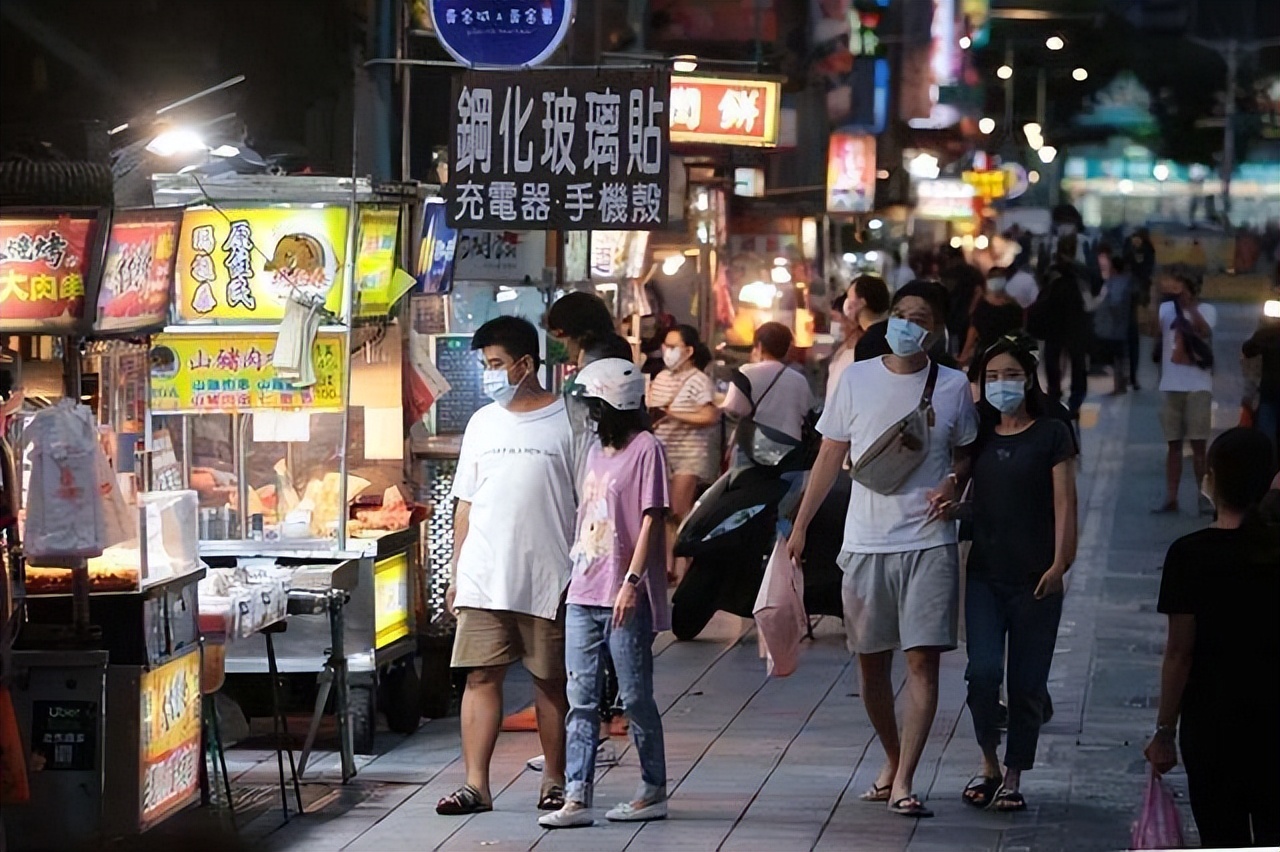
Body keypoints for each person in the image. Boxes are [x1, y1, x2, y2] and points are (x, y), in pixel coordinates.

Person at [787, 281, 980, 818]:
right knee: (870, 665)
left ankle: (907, 779)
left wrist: (953, 483)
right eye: (902, 314)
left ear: (936, 330)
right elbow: (830, 455)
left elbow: (967, 454)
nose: (909, 325)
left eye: (921, 317)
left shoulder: (953, 385)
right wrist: (800, 525)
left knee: (922, 661)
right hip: (866, 542)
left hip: (929, 540)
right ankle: (893, 759)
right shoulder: (856, 378)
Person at [438, 316, 576, 816]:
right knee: (479, 676)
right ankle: (476, 785)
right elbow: (465, 504)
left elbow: (588, 499)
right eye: (484, 365)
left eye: (496, 364)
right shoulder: (482, 422)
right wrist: (456, 572)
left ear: (525, 364)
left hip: (549, 575)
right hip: (483, 574)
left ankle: (555, 781)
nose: (489, 375)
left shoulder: (569, 420)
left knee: (550, 682)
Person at [539, 358, 671, 829]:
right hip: (584, 588)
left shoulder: (646, 449)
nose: (590, 414)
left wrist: (632, 584)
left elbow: (653, 518)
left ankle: (653, 787)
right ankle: (576, 795)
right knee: (581, 696)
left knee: (634, 695)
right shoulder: (595, 449)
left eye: (595, 405)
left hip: (622, 592)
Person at [959, 333, 1078, 813]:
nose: (1001, 384)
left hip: (1035, 578)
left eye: (1010, 375)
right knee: (983, 674)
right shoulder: (981, 433)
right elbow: (965, 490)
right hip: (985, 575)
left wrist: (1060, 563)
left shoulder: (1052, 432)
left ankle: (1013, 776)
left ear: (1029, 379)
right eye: (992, 377)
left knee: (1028, 683)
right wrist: (951, 508)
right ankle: (988, 762)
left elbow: (1065, 503)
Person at [1145, 428, 1280, 848]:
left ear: (1213, 478)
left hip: (1213, 728)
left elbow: (1179, 655)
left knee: (1223, 838)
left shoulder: (1189, 555)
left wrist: (1165, 731)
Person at [648, 325, 718, 579]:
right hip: (662, 451)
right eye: (665, 345)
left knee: (678, 510)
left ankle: (682, 564)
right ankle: (671, 565)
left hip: (689, 454)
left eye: (673, 346)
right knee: (664, 512)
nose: (667, 351)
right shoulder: (661, 378)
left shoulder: (699, 380)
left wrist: (671, 413)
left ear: (688, 351)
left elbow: (709, 415)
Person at [1153, 266, 1217, 515]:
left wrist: (1188, 307)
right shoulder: (1166, 309)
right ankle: (1172, 497)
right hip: (1172, 384)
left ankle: (1204, 497)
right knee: (1173, 445)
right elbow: (1152, 331)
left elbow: (1204, 331)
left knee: (1199, 445)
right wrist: (1154, 298)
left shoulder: (1207, 310)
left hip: (1198, 385)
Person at [722, 322, 813, 468]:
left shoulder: (746, 372)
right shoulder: (800, 380)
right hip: (790, 450)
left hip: (754, 448)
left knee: (748, 489)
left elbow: (733, 408)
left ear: (759, 346)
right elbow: (806, 411)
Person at [1028, 235, 1090, 417]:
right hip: (1069, 322)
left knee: (1057, 361)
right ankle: (1067, 400)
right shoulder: (1071, 271)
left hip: (1060, 322)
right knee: (1071, 363)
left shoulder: (1065, 270)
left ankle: (1059, 398)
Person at [855, 279, 958, 369]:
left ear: (937, 329)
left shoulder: (950, 381)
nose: (905, 325)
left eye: (917, 319)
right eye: (899, 316)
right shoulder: (870, 345)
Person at [828, 277, 891, 407]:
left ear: (861, 303)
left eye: (849, 296)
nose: (847, 302)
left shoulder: (871, 342)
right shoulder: (886, 333)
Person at [959, 267, 1025, 374]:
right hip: (985, 352)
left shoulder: (1013, 306)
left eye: (999, 278)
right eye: (993, 278)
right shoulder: (982, 305)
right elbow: (973, 330)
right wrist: (965, 353)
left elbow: (1019, 332)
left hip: (1007, 354)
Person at [1090, 245, 1134, 395]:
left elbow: (1114, 303)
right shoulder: (1126, 282)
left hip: (1113, 328)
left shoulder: (1115, 283)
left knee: (1117, 358)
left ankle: (1119, 385)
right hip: (1119, 327)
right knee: (1120, 358)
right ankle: (1120, 383)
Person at [1242, 302, 1280, 451]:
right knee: (1266, 439)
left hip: (1269, 394)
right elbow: (1248, 349)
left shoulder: (1266, 335)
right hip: (1268, 394)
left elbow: (1248, 349)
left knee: (1266, 440)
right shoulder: (1266, 335)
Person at [940, 245, 987, 358]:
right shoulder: (972, 272)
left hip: (955, 315)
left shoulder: (949, 272)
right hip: (964, 316)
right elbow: (980, 291)